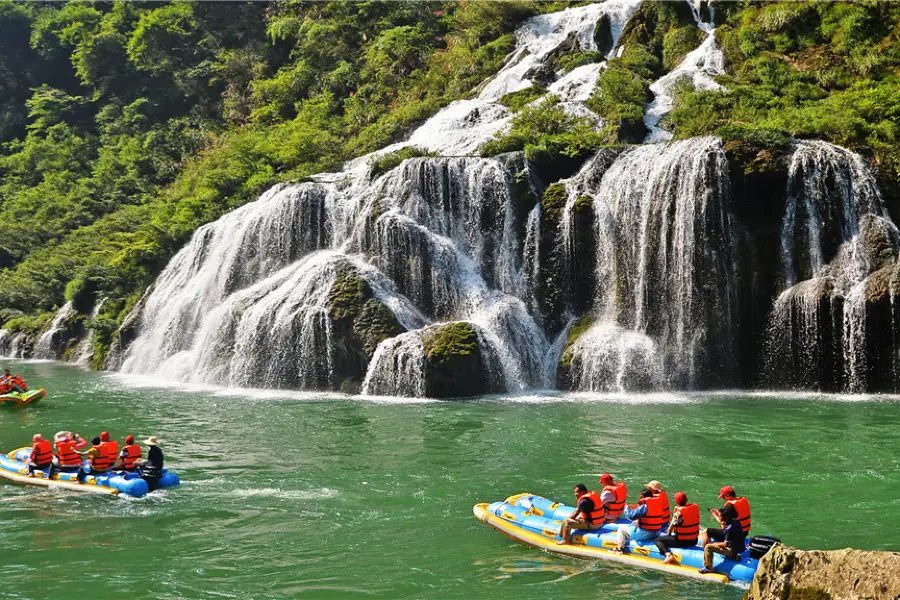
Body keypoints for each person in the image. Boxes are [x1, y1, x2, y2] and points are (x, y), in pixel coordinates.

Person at [699, 504, 747, 574]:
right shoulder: (735, 521)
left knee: (708, 547)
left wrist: (712, 544)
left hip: (732, 551)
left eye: (720, 516)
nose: (719, 517)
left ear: (726, 517)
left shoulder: (729, 528)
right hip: (741, 548)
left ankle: (708, 568)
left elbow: (726, 544)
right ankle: (734, 556)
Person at [654, 491, 700, 564]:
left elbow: (670, 529)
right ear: (686, 500)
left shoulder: (678, 512)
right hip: (694, 541)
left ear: (676, 501)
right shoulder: (694, 508)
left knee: (658, 540)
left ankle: (668, 555)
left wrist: (668, 535)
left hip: (683, 542)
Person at [614, 487, 665, 552]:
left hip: (645, 534)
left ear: (645, 497)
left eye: (641, 497)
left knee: (621, 528)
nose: (640, 499)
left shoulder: (644, 507)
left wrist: (626, 507)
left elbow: (631, 516)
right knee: (634, 523)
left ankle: (619, 548)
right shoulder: (658, 504)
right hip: (656, 533)